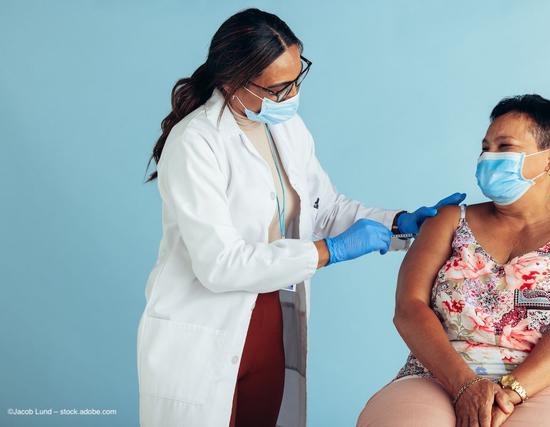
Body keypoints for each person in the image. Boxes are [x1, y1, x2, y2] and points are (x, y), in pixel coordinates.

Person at [136, 8, 465, 427]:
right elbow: (218, 265)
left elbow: (322, 207)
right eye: (278, 88)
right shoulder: (195, 143)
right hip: (206, 325)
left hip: (272, 316)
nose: (291, 96)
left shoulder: (285, 128)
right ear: (233, 82)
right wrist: (329, 251)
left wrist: (399, 223)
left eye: (297, 78)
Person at [357, 94, 550, 426]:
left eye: (505, 147)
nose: (489, 157)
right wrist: (464, 385)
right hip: (442, 376)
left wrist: (512, 391)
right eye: (486, 147)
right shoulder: (447, 220)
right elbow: (409, 307)